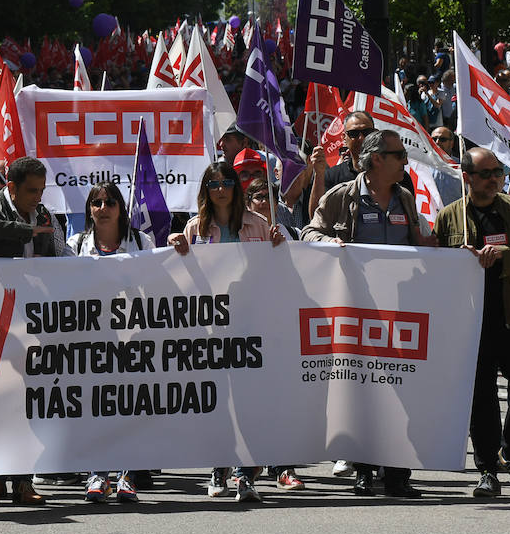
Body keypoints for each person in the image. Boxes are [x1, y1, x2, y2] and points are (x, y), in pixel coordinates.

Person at [302, 130, 433, 497]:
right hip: (357, 312)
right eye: (398, 154)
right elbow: (309, 232)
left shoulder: (405, 199)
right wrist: (329, 242)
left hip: (400, 312)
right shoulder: (342, 197)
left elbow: (421, 244)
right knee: (362, 391)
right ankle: (363, 469)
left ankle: (397, 475)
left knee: (400, 391)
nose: (404, 161)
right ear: (377, 159)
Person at [434, 148, 510, 497]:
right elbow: (435, 265)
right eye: (486, 173)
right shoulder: (449, 217)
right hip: (470, 320)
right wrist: (458, 260)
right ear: (467, 177)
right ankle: (487, 470)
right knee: (481, 397)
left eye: (498, 172)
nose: (494, 178)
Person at [171, 161, 285, 503]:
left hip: (250, 324)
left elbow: (279, 270)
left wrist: (280, 241)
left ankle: (245, 474)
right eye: (213, 183)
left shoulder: (259, 224)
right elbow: (181, 274)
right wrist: (175, 245)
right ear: (206, 190)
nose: (220, 189)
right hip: (211, 327)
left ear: (236, 187)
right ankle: (218, 466)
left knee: (248, 402)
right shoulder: (196, 227)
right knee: (217, 401)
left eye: (226, 182)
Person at [0, 156, 73, 507]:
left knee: (26, 402)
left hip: (33, 321)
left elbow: (60, 255)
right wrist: (27, 232)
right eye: (31, 190)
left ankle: (23, 482)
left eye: (42, 190)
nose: (37, 197)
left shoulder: (45, 215)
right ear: (10, 186)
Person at [67, 182, 150, 503]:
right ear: (89, 209)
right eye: (96, 203)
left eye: (110, 202)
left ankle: (126, 474)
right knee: (94, 407)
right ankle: (97, 474)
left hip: (131, 339)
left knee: (127, 407)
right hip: (89, 340)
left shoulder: (141, 242)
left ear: (121, 209)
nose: (103, 208)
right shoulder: (74, 245)